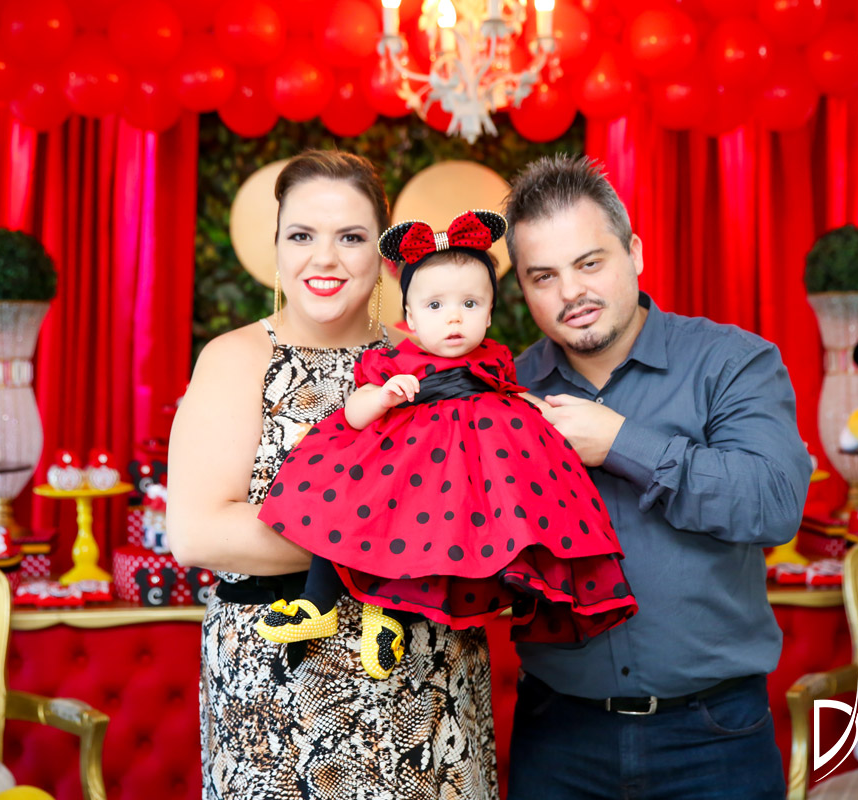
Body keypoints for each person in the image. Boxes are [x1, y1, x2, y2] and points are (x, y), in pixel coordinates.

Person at [167, 151, 497, 800]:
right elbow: (199, 531)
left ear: (382, 254)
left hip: (427, 684)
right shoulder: (236, 358)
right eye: (301, 236)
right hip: (278, 696)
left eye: (350, 237)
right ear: (277, 247)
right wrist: (400, 535)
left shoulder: (425, 359)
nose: (325, 258)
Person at [502, 154, 813, 799]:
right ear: (524, 289)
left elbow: (775, 502)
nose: (571, 293)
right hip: (558, 736)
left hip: (715, 735)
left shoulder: (732, 362)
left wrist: (620, 443)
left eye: (590, 263)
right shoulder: (508, 392)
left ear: (635, 253)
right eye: (544, 276)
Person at [254, 210, 637, 680]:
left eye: (470, 304)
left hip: (454, 477)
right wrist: (384, 396)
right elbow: (353, 413)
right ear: (411, 317)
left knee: (438, 536)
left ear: (490, 313)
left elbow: (511, 395)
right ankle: (318, 604)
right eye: (435, 306)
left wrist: (540, 415)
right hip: (396, 461)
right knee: (346, 510)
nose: (454, 317)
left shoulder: (493, 362)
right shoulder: (395, 361)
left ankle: (387, 617)